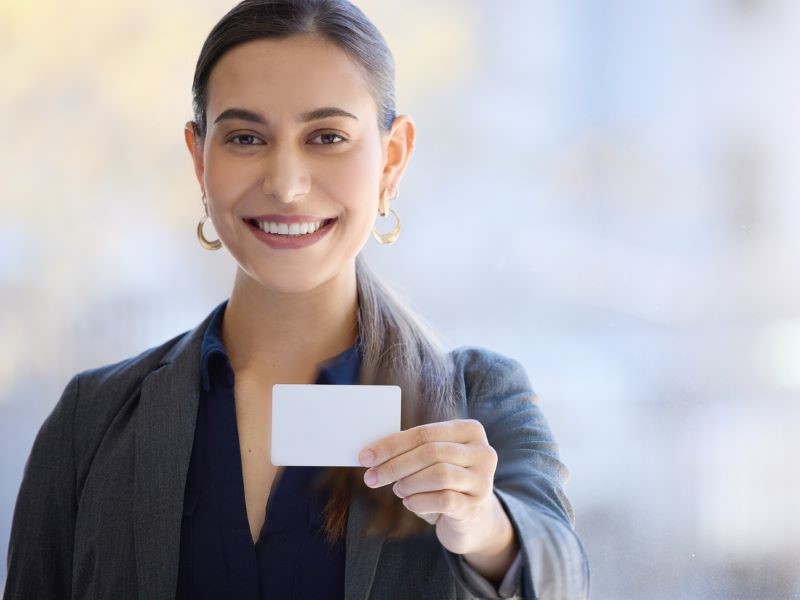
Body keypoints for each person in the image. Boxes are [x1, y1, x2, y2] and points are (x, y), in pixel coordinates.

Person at [3, 1, 591, 598]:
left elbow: (564, 575)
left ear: (391, 160)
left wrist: (487, 527)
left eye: (328, 137)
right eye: (245, 137)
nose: (286, 184)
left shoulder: (480, 399)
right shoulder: (92, 419)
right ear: (199, 160)